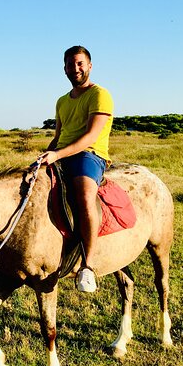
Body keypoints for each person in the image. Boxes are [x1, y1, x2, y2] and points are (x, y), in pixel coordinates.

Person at [39, 46, 114, 293]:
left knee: (83, 196)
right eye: (71, 65)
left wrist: (58, 154)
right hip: (61, 153)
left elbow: (91, 135)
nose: (75, 69)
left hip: (89, 155)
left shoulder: (99, 95)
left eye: (80, 64)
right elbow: (58, 137)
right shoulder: (61, 101)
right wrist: (44, 157)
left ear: (90, 66)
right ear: (64, 69)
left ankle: (88, 266)